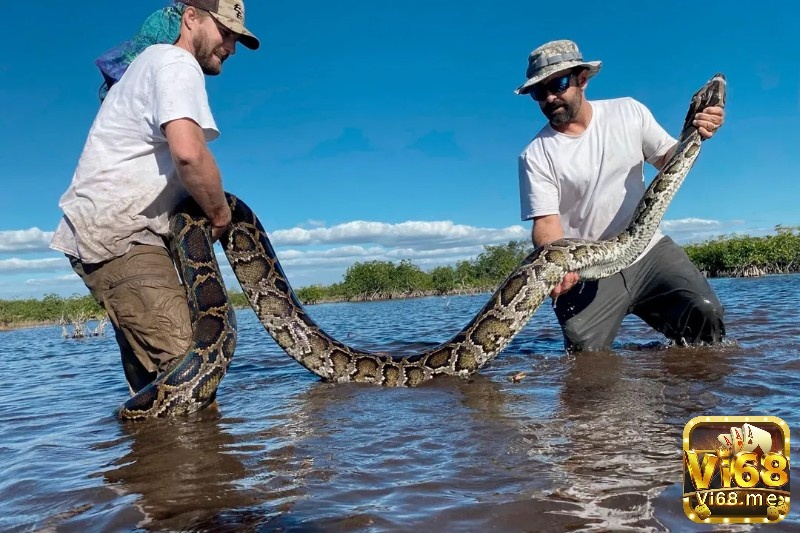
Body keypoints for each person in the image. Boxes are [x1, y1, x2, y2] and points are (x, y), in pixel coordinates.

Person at [49, 0, 260, 394]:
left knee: (153, 383)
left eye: (236, 38)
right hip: (125, 237)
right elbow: (189, 153)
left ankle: (146, 455)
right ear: (191, 18)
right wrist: (218, 215)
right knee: (190, 366)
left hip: (112, 232)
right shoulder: (175, 63)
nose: (230, 46)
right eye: (225, 31)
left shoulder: (149, 66)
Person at [514, 39, 726, 353]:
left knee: (705, 315)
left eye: (557, 84)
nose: (549, 97)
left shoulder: (628, 111)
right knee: (584, 356)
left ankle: (694, 396)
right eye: (538, 92)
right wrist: (558, 266)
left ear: (582, 79)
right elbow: (546, 223)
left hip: (648, 250)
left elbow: (670, 160)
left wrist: (699, 132)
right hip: (587, 267)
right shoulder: (534, 155)